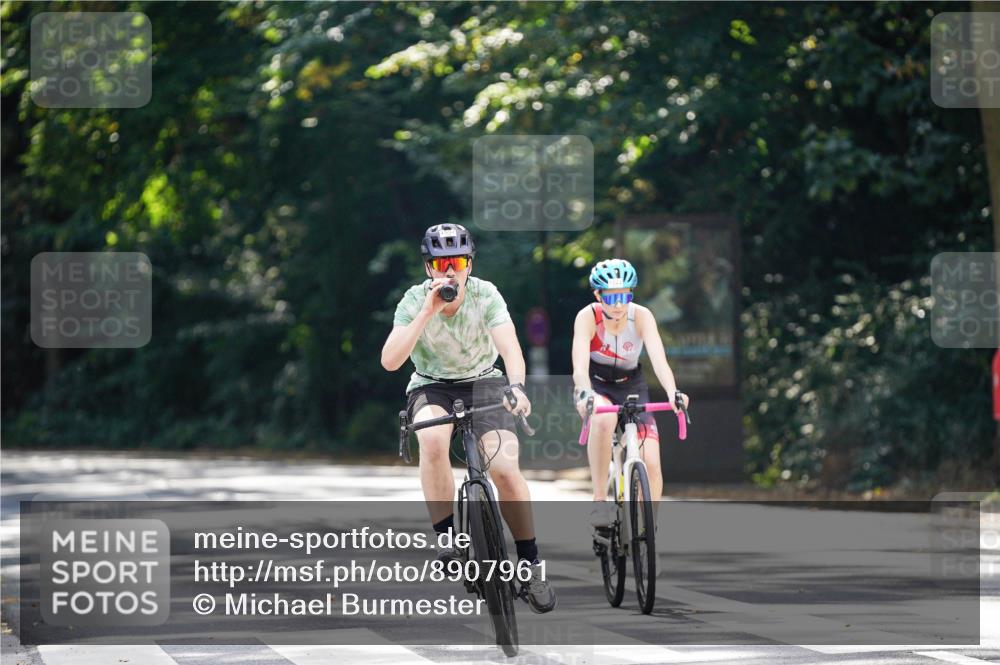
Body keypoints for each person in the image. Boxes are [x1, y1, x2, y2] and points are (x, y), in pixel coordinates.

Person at [381, 223, 556, 614]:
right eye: (441, 263)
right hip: (431, 386)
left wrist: (517, 387)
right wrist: (427, 312)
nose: (450, 271)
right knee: (432, 439)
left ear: (469, 265)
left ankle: (530, 564)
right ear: (428, 268)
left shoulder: (485, 294)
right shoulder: (413, 300)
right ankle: (447, 538)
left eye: (457, 262)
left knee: (506, 470)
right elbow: (390, 361)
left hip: (485, 383)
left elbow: (510, 348)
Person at [571, 258, 689, 528]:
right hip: (597, 385)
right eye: (610, 297)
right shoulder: (587, 317)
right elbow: (579, 366)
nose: (618, 305)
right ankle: (599, 500)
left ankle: (650, 529)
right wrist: (585, 394)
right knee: (603, 420)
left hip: (632, 385)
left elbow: (659, 361)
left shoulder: (642, 316)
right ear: (598, 295)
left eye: (624, 296)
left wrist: (673, 392)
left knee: (652, 463)